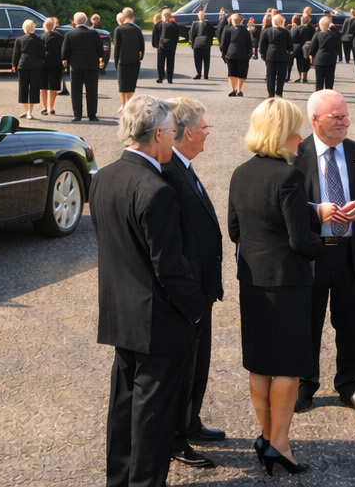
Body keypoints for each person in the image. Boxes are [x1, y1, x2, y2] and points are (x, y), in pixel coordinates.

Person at [92, 95, 206, 487]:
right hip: (159, 323)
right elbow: (169, 267)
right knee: (153, 420)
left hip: (120, 314)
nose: (173, 140)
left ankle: (118, 480)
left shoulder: (103, 177)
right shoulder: (156, 189)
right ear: (158, 133)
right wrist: (195, 311)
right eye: (172, 133)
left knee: (124, 408)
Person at [227, 97, 322, 476]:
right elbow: (301, 240)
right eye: (297, 129)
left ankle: (266, 437)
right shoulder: (289, 176)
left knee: (260, 363)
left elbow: (235, 231)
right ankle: (280, 444)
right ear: (284, 134)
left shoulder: (240, 172)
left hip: (252, 280)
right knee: (288, 366)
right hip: (288, 283)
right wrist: (327, 246)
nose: (302, 137)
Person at [293, 90, 355, 415]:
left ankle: (349, 385)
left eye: (346, 115)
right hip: (312, 254)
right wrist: (315, 211)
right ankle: (305, 386)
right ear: (315, 120)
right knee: (306, 323)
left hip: (352, 254)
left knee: (351, 324)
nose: (345, 122)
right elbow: (285, 206)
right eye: (337, 117)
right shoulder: (295, 155)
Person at [163, 98, 225, 469]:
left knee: (199, 362)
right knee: (184, 368)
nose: (207, 135)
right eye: (205, 128)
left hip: (202, 289)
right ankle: (176, 438)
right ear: (187, 133)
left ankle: (191, 421)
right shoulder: (170, 172)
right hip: (188, 294)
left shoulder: (183, 166)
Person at [63, 12, 106, 123]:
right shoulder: (94, 33)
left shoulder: (70, 34)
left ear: (75, 21)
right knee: (92, 91)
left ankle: (77, 115)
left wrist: (66, 62)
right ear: (86, 20)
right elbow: (100, 49)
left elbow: (65, 51)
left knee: (76, 92)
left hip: (76, 66)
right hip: (91, 66)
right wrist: (100, 57)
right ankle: (92, 115)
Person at [10, 18, 45, 120]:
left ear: (24, 28)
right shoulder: (39, 40)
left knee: (23, 88)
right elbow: (43, 55)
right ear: (33, 28)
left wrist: (14, 65)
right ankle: (30, 111)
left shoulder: (19, 39)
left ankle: (26, 111)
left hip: (23, 65)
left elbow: (15, 54)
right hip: (35, 66)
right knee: (34, 89)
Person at [111, 9, 146, 113]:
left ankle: (124, 105)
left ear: (124, 17)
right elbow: (142, 46)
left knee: (122, 85)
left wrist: (116, 61)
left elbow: (117, 47)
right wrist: (140, 58)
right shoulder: (137, 30)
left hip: (122, 60)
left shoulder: (119, 29)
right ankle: (130, 106)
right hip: (134, 60)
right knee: (131, 84)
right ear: (133, 17)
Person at [260, 14, 295, 99]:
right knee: (281, 76)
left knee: (270, 76)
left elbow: (262, 45)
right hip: (282, 55)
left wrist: (263, 55)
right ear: (281, 22)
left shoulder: (266, 31)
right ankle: (279, 93)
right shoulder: (286, 32)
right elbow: (290, 46)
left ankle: (270, 93)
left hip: (270, 55)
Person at [220, 12, 252, 97]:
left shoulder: (227, 29)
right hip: (243, 53)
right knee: (242, 72)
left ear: (231, 20)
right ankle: (239, 90)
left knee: (232, 72)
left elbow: (224, 43)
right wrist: (250, 53)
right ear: (240, 21)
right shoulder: (245, 30)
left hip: (231, 53)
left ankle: (233, 89)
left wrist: (223, 52)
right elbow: (249, 42)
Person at [307, 16, 341, 91]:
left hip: (319, 58)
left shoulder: (317, 34)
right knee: (329, 79)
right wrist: (339, 55)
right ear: (329, 25)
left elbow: (312, 47)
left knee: (319, 80)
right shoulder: (333, 35)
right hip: (331, 58)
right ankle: (328, 95)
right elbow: (338, 46)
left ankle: (319, 96)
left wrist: (310, 54)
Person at [40, 16, 65, 116]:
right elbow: (62, 51)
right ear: (54, 25)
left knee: (43, 86)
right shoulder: (60, 37)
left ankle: (44, 107)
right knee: (53, 86)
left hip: (42, 63)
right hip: (56, 62)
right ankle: (51, 107)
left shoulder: (40, 37)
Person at [152, 7, 183, 85]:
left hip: (166, 47)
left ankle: (165, 78)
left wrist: (157, 45)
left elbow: (155, 36)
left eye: (167, 15)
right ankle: (165, 78)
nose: (166, 16)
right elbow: (155, 36)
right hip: (165, 47)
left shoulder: (169, 25)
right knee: (165, 63)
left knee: (165, 63)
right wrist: (157, 45)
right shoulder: (169, 24)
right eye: (165, 15)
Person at [189, 8, 217, 80]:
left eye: (202, 15)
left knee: (202, 60)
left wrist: (210, 42)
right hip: (201, 44)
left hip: (202, 44)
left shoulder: (202, 24)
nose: (201, 16)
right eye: (201, 15)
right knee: (202, 59)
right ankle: (202, 74)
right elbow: (192, 34)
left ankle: (202, 74)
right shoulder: (200, 24)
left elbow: (211, 33)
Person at [291, 10, 315, 84]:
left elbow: (292, 38)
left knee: (299, 62)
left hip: (298, 47)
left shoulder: (296, 28)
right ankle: (304, 76)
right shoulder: (311, 28)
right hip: (308, 47)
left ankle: (300, 76)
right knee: (306, 62)